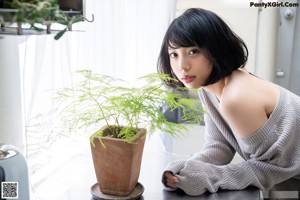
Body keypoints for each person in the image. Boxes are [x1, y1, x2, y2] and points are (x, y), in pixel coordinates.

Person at [157, 7, 300, 197]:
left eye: (193, 51)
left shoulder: (236, 97)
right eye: (174, 54)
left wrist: (208, 177)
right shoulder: (209, 88)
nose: (182, 66)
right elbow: (219, 146)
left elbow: (267, 170)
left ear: (215, 48)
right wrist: (187, 169)